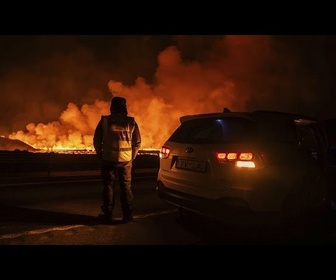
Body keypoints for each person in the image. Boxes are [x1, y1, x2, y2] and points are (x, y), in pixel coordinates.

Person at [93, 96, 141, 224]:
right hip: (126, 161)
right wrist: (132, 157)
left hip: (108, 159)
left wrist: (100, 155)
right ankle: (128, 215)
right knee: (126, 187)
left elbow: (97, 140)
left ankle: (107, 214)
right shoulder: (131, 122)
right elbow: (137, 142)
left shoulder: (105, 120)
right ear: (125, 107)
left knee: (108, 186)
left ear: (111, 107)